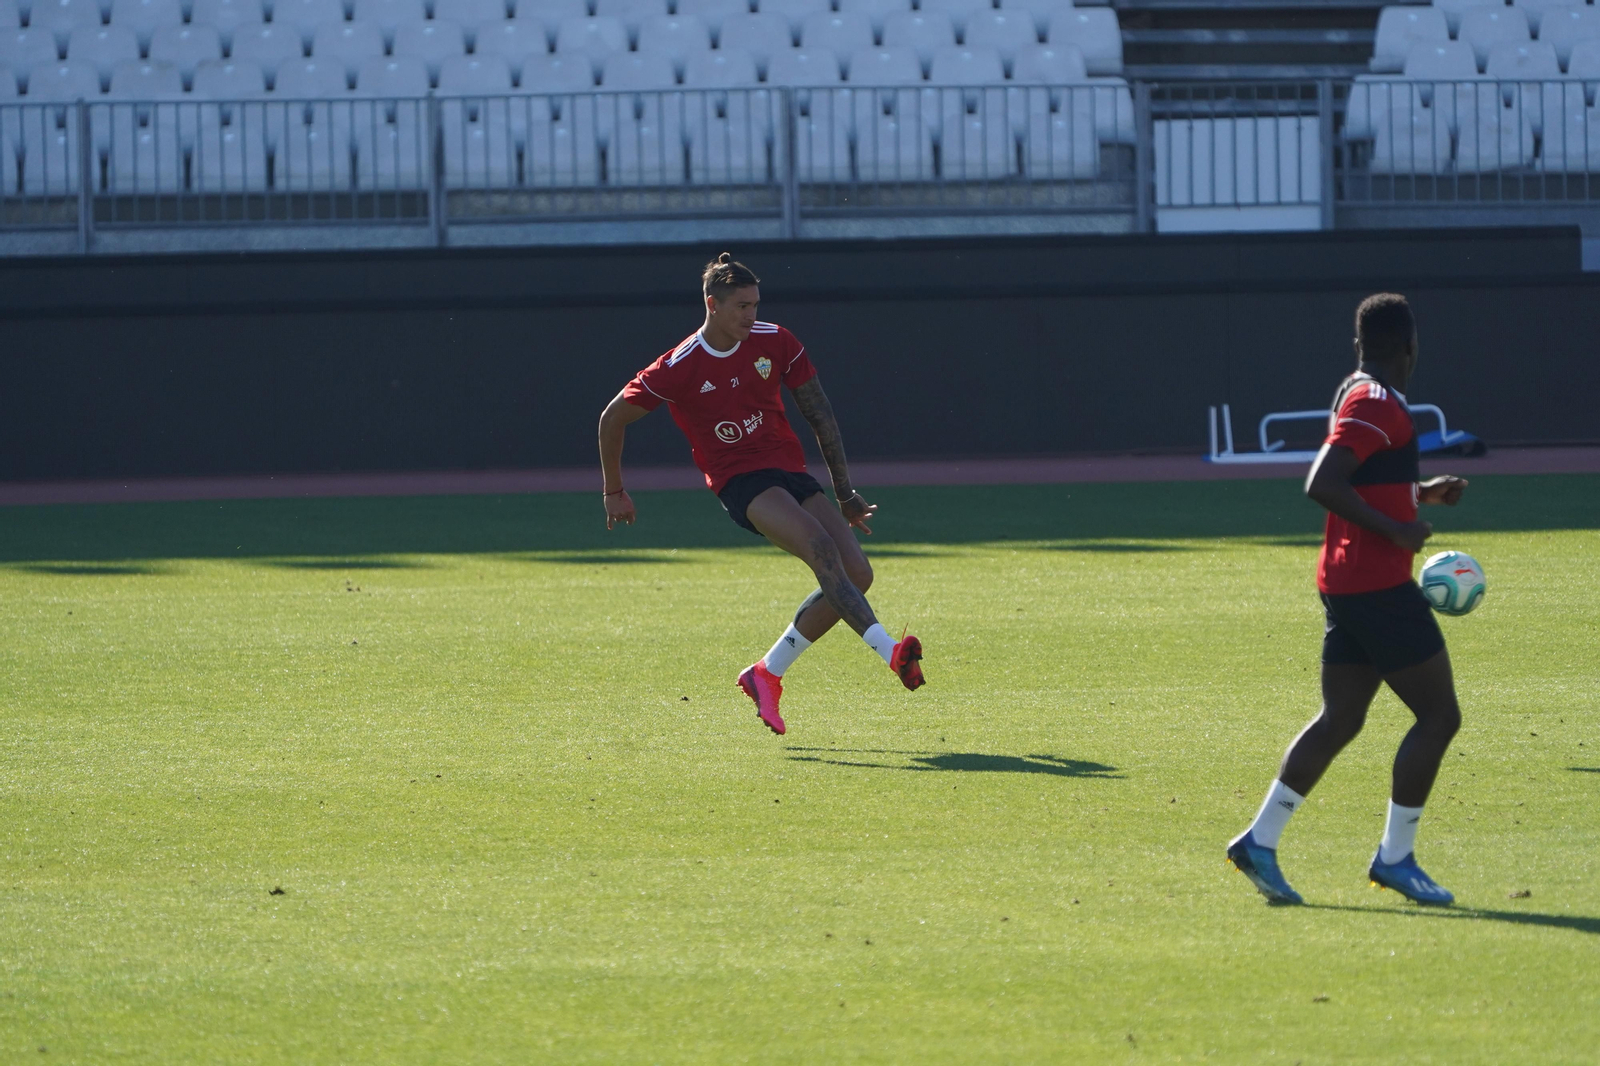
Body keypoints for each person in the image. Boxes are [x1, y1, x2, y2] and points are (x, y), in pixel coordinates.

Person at [597, 253, 924, 736]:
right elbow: (610, 420)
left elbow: (821, 415)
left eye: (756, 305)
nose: (752, 315)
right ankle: (889, 651)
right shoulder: (679, 365)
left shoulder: (777, 342)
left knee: (857, 572)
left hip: (788, 469)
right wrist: (614, 490)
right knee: (820, 549)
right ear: (713, 305)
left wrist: (844, 491)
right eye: (742, 306)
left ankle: (765, 673)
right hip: (740, 481)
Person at [1228, 293, 1469, 906]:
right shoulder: (1375, 400)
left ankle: (1259, 840)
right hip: (1378, 585)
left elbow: (1365, 478)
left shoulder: (1356, 391)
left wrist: (1419, 494)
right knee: (1439, 717)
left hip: (1347, 581)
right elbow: (1323, 481)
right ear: (1412, 347)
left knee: (1342, 719)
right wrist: (1397, 530)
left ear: (1360, 344)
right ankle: (1396, 858)